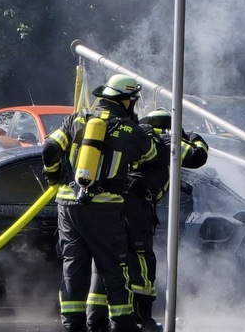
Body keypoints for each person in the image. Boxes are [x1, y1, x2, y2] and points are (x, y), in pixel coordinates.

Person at [43, 74, 160, 332]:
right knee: (115, 268)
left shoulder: (76, 120)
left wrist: (54, 176)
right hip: (104, 208)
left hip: (67, 205)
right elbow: (152, 155)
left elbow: (49, 149)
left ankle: (73, 325)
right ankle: (123, 324)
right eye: (133, 100)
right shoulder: (131, 131)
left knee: (72, 266)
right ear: (125, 101)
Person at [86, 108, 208, 332]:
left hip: (109, 206)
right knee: (141, 262)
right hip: (135, 208)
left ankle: (96, 320)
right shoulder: (165, 140)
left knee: (105, 261)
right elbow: (198, 156)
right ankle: (142, 319)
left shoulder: (132, 136)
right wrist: (191, 136)